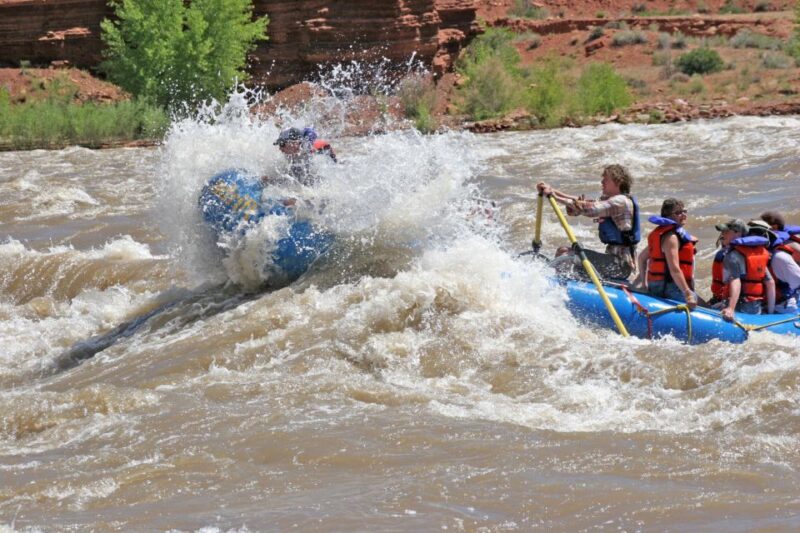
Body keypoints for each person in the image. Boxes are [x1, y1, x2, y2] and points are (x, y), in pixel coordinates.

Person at [536, 164, 640, 280]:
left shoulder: (621, 202)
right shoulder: (610, 200)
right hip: (613, 262)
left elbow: (590, 209)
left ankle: (560, 287)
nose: (602, 182)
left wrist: (554, 196)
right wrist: (553, 191)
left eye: (606, 178)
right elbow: (580, 204)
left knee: (564, 255)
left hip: (621, 266)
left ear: (618, 181)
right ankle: (562, 283)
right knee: (564, 251)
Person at [632, 198, 698, 309]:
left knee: (704, 304)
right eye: (678, 213)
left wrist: (644, 284)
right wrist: (687, 294)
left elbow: (642, 258)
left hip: (656, 285)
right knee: (700, 304)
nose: (683, 215)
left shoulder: (662, 234)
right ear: (667, 216)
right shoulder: (671, 237)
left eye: (684, 211)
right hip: (669, 287)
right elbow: (674, 269)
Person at [709, 218, 775, 321]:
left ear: (737, 233)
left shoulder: (731, 255)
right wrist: (771, 313)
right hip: (754, 307)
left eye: (726, 231)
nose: (722, 234)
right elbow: (770, 282)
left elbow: (736, 281)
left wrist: (730, 308)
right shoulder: (758, 252)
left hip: (740, 306)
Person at [749, 219, 800, 314]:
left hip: (783, 305)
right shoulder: (749, 257)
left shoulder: (779, 258)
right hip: (764, 302)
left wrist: (770, 311)